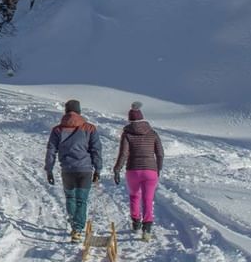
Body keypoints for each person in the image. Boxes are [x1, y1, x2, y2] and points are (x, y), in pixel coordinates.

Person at [45, 99, 102, 243]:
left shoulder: (57, 130)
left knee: (70, 198)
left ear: (66, 111)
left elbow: (51, 150)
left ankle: (74, 227)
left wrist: (49, 169)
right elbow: (96, 150)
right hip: (85, 170)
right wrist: (98, 169)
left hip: (67, 170)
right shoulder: (90, 128)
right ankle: (78, 229)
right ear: (79, 111)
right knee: (81, 200)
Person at [113, 101, 164, 241]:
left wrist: (117, 169)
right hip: (150, 171)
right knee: (148, 199)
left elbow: (123, 154)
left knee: (135, 196)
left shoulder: (127, 134)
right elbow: (160, 154)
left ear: (130, 120)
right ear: (142, 118)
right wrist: (157, 169)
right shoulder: (153, 133)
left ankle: (136, 223)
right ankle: (147, 230)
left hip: (133, 170)